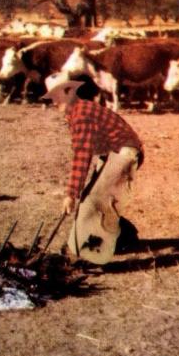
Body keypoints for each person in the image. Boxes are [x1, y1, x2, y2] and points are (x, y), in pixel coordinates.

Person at [44, 77, 144, 264]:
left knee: (93, 202)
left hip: (126, 153)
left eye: (56, 96)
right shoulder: (77, 111)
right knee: (91, 199)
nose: (53, 102)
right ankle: (124, 238)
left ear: (69, 92)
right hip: (113, 153)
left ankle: (95, 256)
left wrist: (70, 194)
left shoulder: (82, 114)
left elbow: (82, 155)